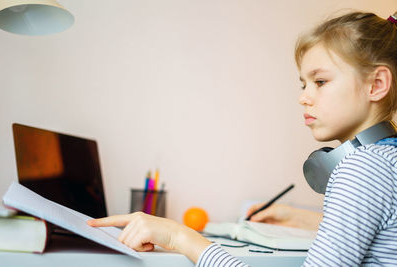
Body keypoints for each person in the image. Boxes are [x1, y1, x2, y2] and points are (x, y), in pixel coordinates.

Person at [88, 10, 397, 266]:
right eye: (303, 84)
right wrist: (297, 217)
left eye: (320, 81)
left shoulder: (361, 169)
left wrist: (181, 239)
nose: (304, 97)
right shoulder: (384, 161)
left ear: (376, 84)